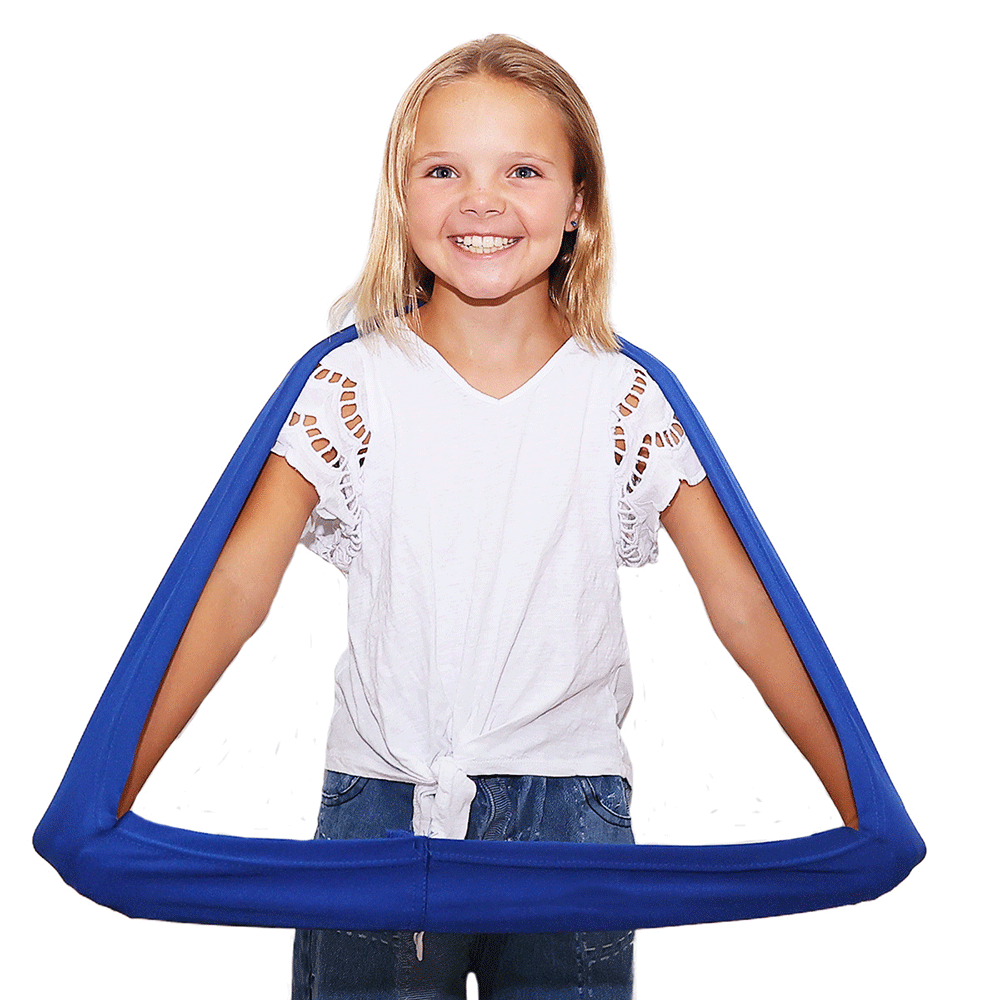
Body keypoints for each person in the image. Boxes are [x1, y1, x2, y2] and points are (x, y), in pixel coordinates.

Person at [116, 34, 858, 999]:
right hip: (379, 811)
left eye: (522, 169)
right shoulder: (349, 387)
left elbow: (746, 608)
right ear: (402, 195)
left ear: (578, 202)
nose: (481, 199)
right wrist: (115, 790)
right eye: (443, 169)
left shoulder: (625, 401)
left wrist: (856, 804)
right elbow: (231, 593)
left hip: (570, 819)